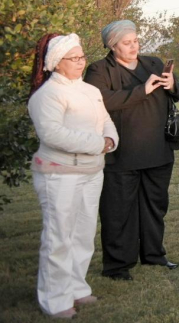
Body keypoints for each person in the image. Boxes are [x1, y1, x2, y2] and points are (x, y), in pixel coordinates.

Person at [84, 20, 179, 280]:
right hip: (122, 153)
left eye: (136, 41)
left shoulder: (153, 63)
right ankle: (117, 265)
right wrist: (142, 90)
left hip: (158, 150)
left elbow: (178, 93)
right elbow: (101, 101)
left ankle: (154, 255)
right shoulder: (99, 70)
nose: (134, 47)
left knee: (155, 206)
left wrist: (172, 84)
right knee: (118, 211)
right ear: (112, 45)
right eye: (127, 43)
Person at [28, 34, 118, 319]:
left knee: (83, 234)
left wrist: (110, 139)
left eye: (82, 57)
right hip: (60, 174)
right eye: (74, 58)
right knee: (59, 237)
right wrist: (97, 144)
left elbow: (106, 120)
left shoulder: (90, 90)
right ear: (56, 63)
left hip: (92, 171)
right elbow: (52, 134)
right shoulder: (47, 95)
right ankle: (55, 299)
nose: (81, 63)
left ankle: (77, 287)